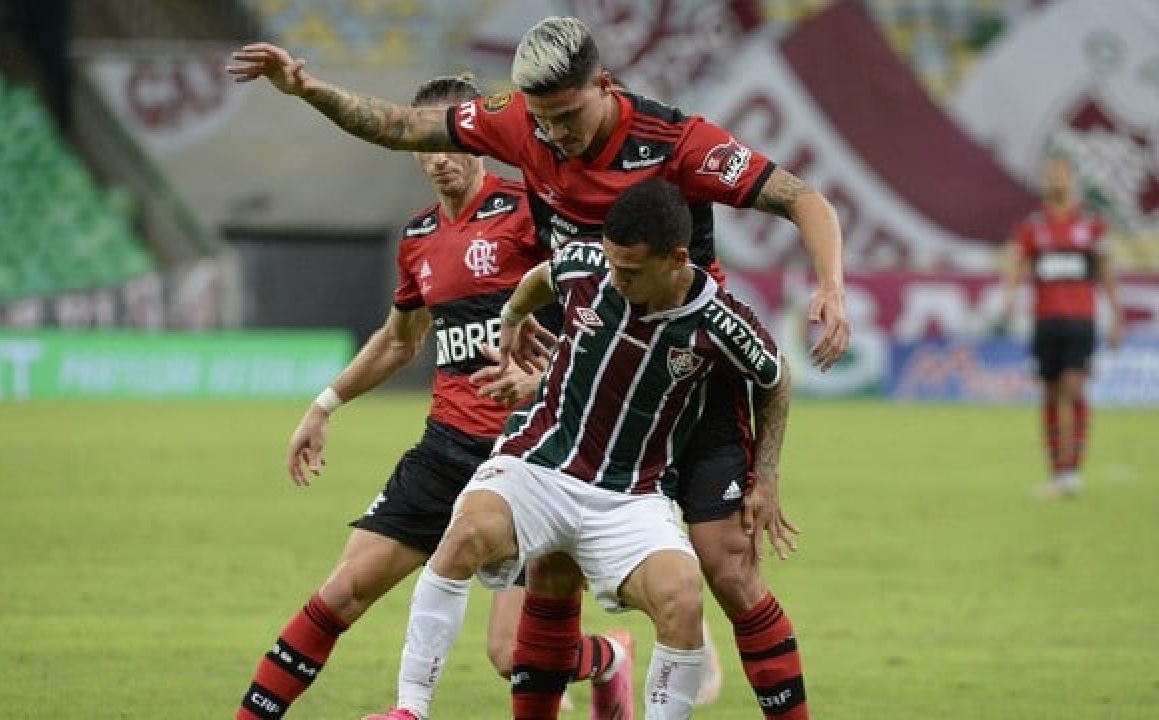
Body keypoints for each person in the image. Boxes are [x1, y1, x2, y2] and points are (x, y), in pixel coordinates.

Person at [229, 17, 835, 718]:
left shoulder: (675, 145)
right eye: (542, 121)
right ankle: (449, 697)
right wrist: (304, 87)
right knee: (532, 576)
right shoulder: (504, 150)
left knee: (726, 572)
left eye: (568, 116)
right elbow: (400, 130)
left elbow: (800, 199)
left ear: (604, 87)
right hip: (542, 409)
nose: (554, 136)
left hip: (680, 377)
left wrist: (831, 286)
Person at [234, 75, 633, 720]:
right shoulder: (419, 235)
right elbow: (400, 340)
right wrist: (324, 404)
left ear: (476, 138)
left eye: (451, 140)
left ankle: (610, 658)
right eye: (427, 144)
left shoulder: (531, 211)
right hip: (446, 450)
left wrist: (557, 366)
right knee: (343, 591)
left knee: (513, 654)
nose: (439, 156)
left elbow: (601, 302)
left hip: (536, 456)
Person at [361, 178, 793, 720]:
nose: (615, 279)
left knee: (683, 599)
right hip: (540, 465)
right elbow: (541, 277)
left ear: (677, 260)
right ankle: (411, 710)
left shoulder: (719, 322)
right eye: (612, 264)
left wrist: (766, 476)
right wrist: (513, 323)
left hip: (633, 495)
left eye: (631, 271)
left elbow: (775, 379)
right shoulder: (588, 265)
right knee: (465, 533)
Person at [1001, 152, 1123, 498]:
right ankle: (1057, 473)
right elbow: (1019, 266)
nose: (1056, 180)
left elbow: (1106, 272)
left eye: (1062, 174)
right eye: (1051, 174)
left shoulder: (1092, 225)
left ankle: (1073, 471)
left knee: (1074, 388)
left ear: (1072, 179)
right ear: (1043, 182)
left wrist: (1117, 314)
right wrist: (1010, 297)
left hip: (1081, 321)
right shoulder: (1032, 227)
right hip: (1046, 321)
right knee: (1051, 394)